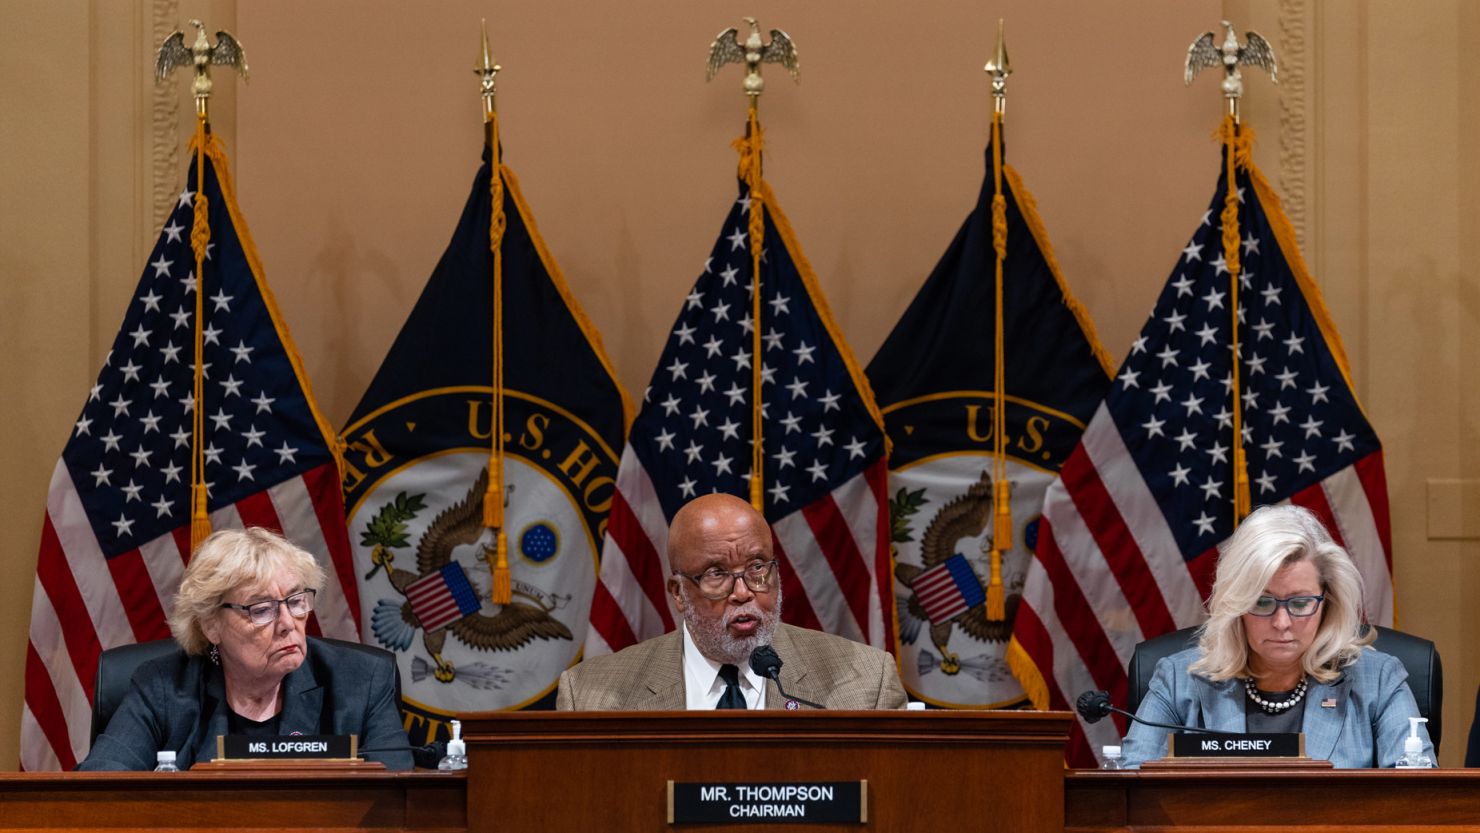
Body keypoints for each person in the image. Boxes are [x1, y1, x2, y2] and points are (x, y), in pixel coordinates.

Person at [1122, 504, 1433, 768]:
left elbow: (1417, 800)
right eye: (1262, 602)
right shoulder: (1178, 681)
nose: (1282, 622)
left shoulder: (1378, 681)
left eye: (1300, 603)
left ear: (1328, 602)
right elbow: (1128, 796)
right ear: (1236, 604)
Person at [79, 527, 413, 770]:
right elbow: (100, 789)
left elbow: (397, 802)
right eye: (262, 609)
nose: (287, 622)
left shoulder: (362, 681)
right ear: (211, 625)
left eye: (296, 601)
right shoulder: (163, 688)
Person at [557, 493, 906, 710]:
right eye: (716, 573)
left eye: (757, 568)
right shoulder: (590, 697)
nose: (743, 593)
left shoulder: (865, 683)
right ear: (678, 594)